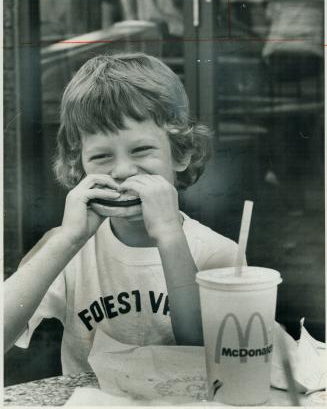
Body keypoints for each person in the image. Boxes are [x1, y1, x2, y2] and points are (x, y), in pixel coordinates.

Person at [4, 53, 238, 375]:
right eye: (101, 156)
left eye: (141, 150)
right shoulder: (66, 248)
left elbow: (207, 358)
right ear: (78, 166)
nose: (124, 170)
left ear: (182, 153)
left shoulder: (217, 253)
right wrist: (67, 240)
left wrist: (170, 237)